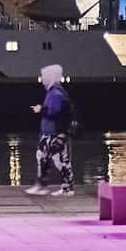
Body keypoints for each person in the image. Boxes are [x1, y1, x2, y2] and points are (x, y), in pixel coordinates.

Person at [25, 64, 76, 196]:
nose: (42, 79)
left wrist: (40, 110)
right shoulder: (59, 92)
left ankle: (42, 185)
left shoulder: (54, 93)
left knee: (43, 156)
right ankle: (66, 187)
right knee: (61, 160)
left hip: (53, 132)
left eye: (44, 76)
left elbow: (54, 112)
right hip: (59, 131)